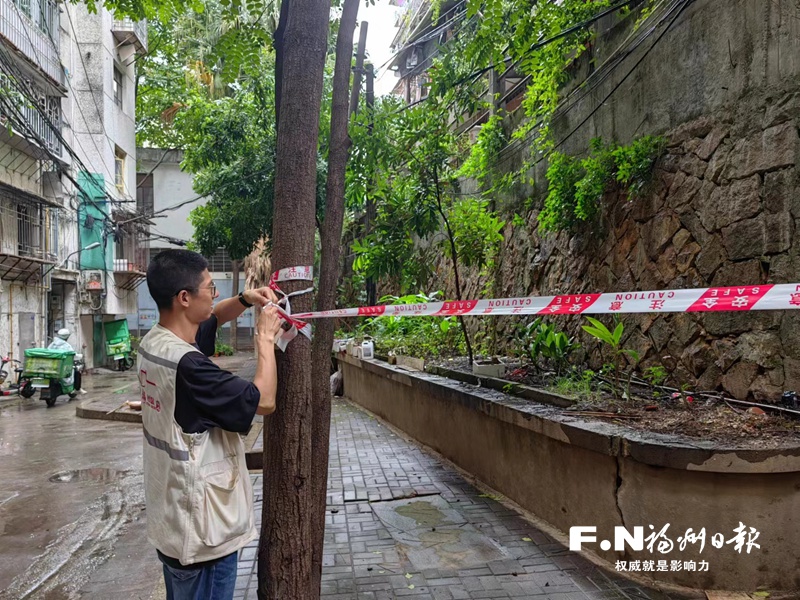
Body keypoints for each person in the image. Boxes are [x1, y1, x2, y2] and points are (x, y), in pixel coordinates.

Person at [137, 249, 282, 600]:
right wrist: (264, 341)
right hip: (202, 536)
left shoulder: (155, 343)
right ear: (185, 298)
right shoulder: (191, 368)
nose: (214, 294)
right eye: (209, 287)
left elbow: (214, 317)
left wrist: (247, 299)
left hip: (173, 521)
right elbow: (263, 401)